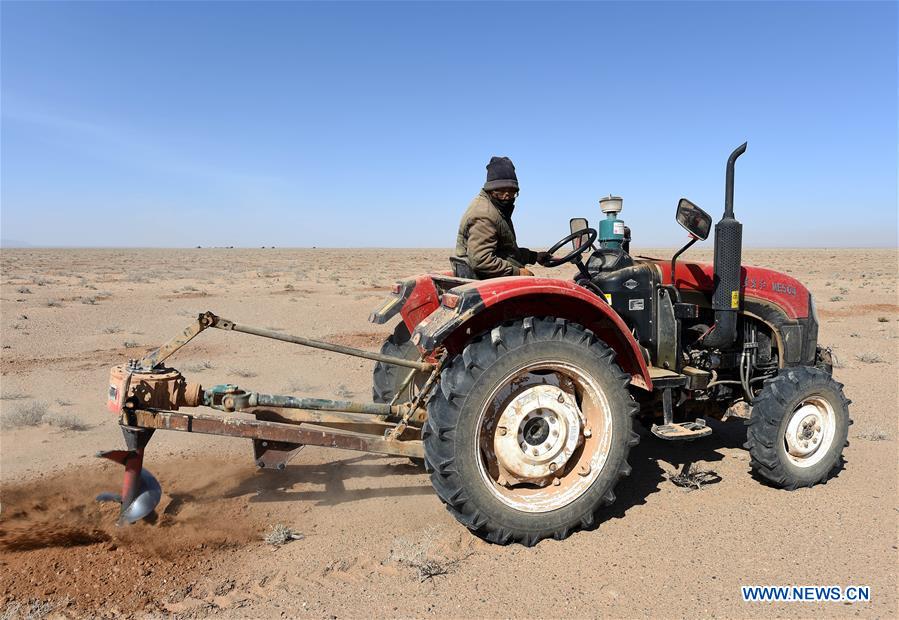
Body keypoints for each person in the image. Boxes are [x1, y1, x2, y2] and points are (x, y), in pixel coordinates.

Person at [453, 156, 547, 279]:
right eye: (501, 191)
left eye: (512, 192)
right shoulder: (485, 214)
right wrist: (517, 272)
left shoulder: (497, 209)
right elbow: (482, 260)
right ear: (490, 189)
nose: (507, 197)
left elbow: (506, 252)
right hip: (485, 280)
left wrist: (534, 256)